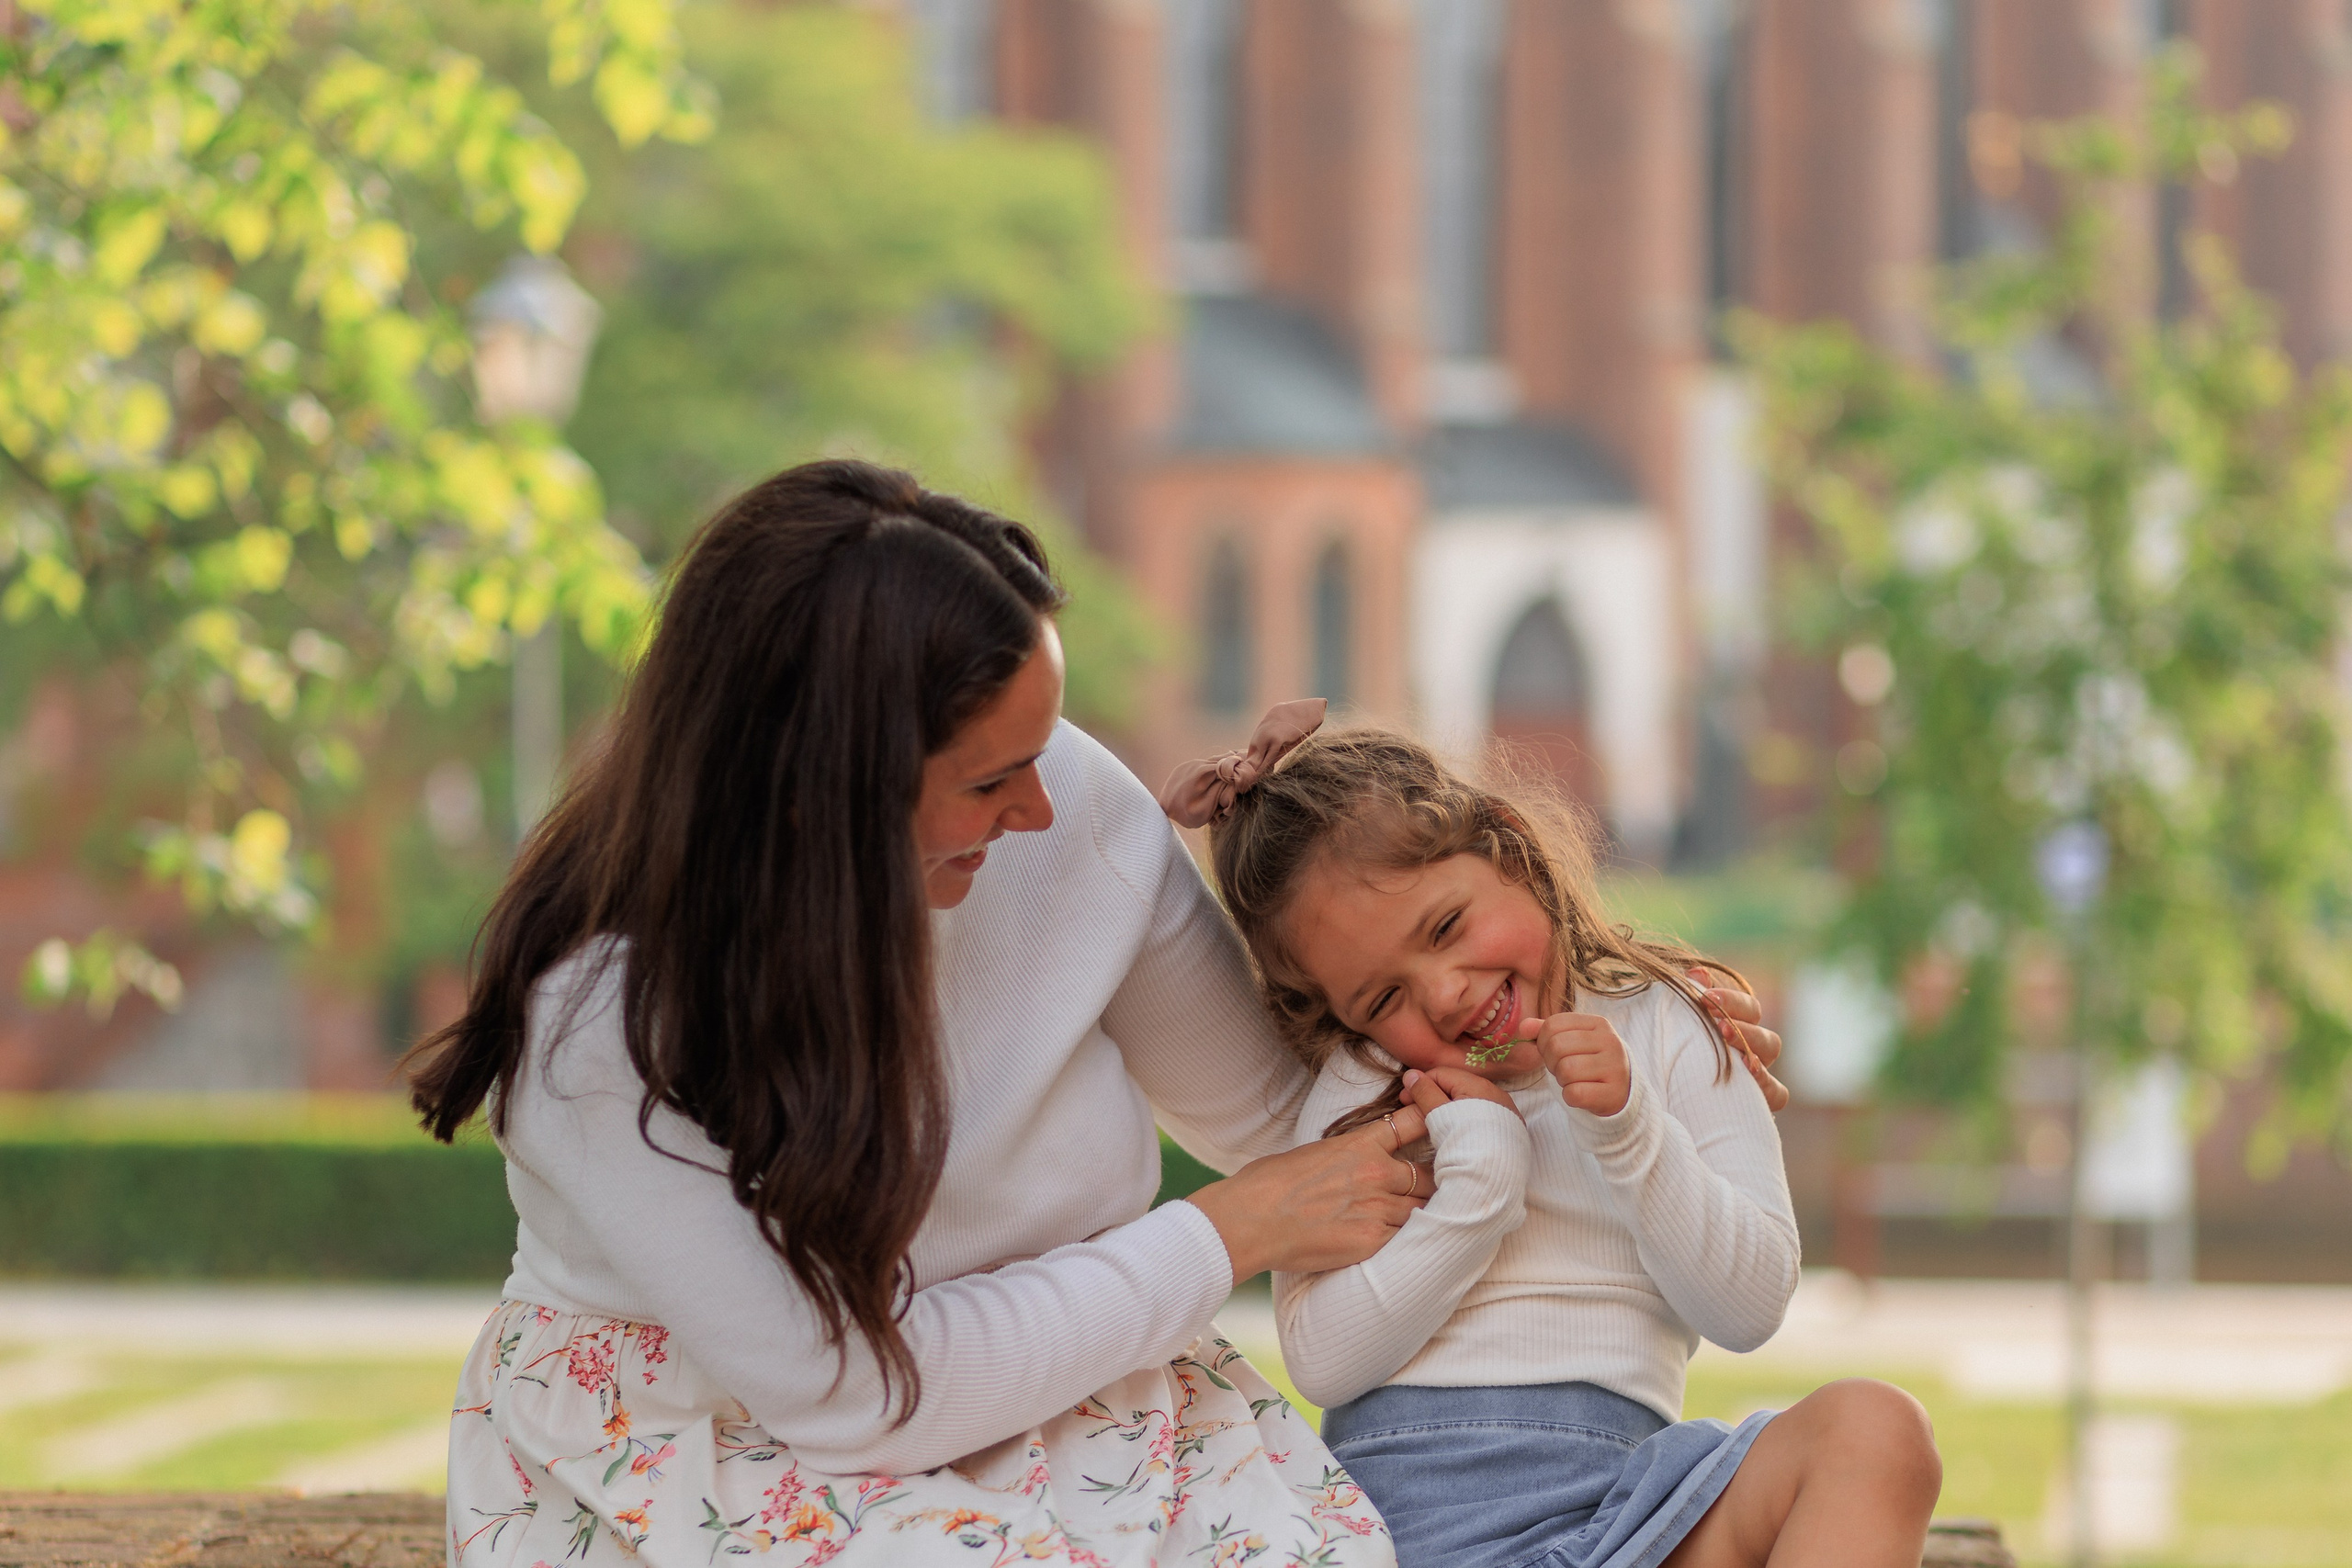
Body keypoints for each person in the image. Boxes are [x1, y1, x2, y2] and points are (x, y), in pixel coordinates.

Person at [405, 458, 1789, 1568]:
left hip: (1077, 1385)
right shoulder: (602, 1032)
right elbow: (849, 1397)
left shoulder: (1068, 822)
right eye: (992, 774)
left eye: (1046, 745)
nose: (1046, 803)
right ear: (825, 790)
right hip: (731, 1441)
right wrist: (1236, 1228)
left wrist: (1607, 1021)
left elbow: (1292, 1109)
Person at [1184, 715, 1940, 1568]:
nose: (1441, 995)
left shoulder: (1671, 1019)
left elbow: (1751, 1304)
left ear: (1508, 847)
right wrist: (1479, 1193)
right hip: (1406, 1529)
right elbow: (1320, 1359)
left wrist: (1629, 1130)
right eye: (1381, 997)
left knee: (1878, 1433)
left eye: (1443, 928)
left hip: (1633, 1507)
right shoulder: (1369, 1091)